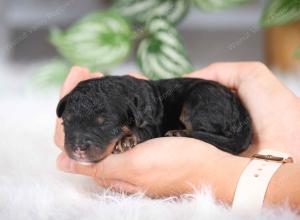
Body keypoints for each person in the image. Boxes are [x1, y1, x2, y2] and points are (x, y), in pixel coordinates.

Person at [54, 62, 300, 212]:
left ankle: (206, 135)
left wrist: (224, 176)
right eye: (70, 124)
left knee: (203, 97)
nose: (78, 144)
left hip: (208, 101)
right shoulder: (124, 104)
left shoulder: (141, 110)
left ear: (133, 116)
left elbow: (147, 129)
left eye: (103, 125)